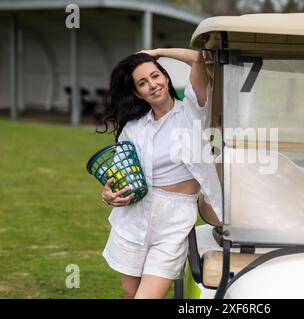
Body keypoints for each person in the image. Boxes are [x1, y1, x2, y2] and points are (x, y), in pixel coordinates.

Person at [96, 48, 222, 299]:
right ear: (136, 93)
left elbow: (198, 58)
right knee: (130, 294)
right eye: (143, 83)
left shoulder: (192, 111)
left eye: (156, 76)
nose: (152, 85)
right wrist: (108, 196)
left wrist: (157, 52)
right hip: (133, 217)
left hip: (174, 221)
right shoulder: (132, 128)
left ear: (165, 77)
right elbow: (120, 175)